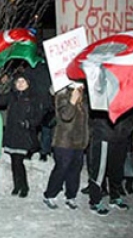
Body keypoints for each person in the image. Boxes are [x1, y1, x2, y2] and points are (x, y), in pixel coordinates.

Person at [0, 73, 44, 198]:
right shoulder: (12, 96)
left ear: (28, 83)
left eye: (23, 81)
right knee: (14, 161)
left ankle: (24, 187)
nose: (20, 84)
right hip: (12, 133)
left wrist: (28, 123)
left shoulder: (33, 98)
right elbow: (0, 101)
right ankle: (17, 186)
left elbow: (38, 116)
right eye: (18, 81)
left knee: (18, 161)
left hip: (24, 134)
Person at [42, 82, 89, 210]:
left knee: (75, 170)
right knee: (61, 168)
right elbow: (65, 116)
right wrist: (72, 101)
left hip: (79, 142)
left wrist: (86, 139)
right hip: (63, 141)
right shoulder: (62, 95)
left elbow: (86, 122)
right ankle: (49, 194)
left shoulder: (85, 99)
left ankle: (71, 196)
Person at [87, 109, 133, 216]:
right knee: (99, 170)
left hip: (122, 135)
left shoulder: (127, 93)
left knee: (117, 169)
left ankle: (115, 196)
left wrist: (129, 128)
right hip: (104, 133)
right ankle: (95, 201)